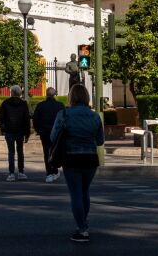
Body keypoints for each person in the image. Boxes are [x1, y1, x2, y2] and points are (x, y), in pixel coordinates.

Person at [53, 83, 105, 243]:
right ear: (87, 97)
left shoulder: (64, 114)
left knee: (75, 194)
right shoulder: (95, 116)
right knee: (84, 192)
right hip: (90, 158)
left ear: (71, 97)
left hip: (71, 157)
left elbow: (53, 137)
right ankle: (83, 223)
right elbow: (100, 141)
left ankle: (82, 230)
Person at [32, 87, 65, 184]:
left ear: (46, 94)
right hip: (57, 133)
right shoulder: (60, 105)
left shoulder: (41, 105)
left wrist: (38, 130)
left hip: (45, 132)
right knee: (55, 151)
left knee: (46, 152)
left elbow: (35, 120)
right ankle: (55, 170)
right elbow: (64, 119)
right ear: (55, 94)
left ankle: (49, 173)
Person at [0, 89, 32, 181]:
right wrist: (27, 133)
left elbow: (1, 117)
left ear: (11, 93)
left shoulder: (5, 103)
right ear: (20, 93)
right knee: (20, 152)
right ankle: (21, 172)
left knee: (11, 152)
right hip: (20, 131)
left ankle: (11, 173)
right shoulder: (23, 103)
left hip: (9, 131)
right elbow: (26, 119)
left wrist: (3, 129)